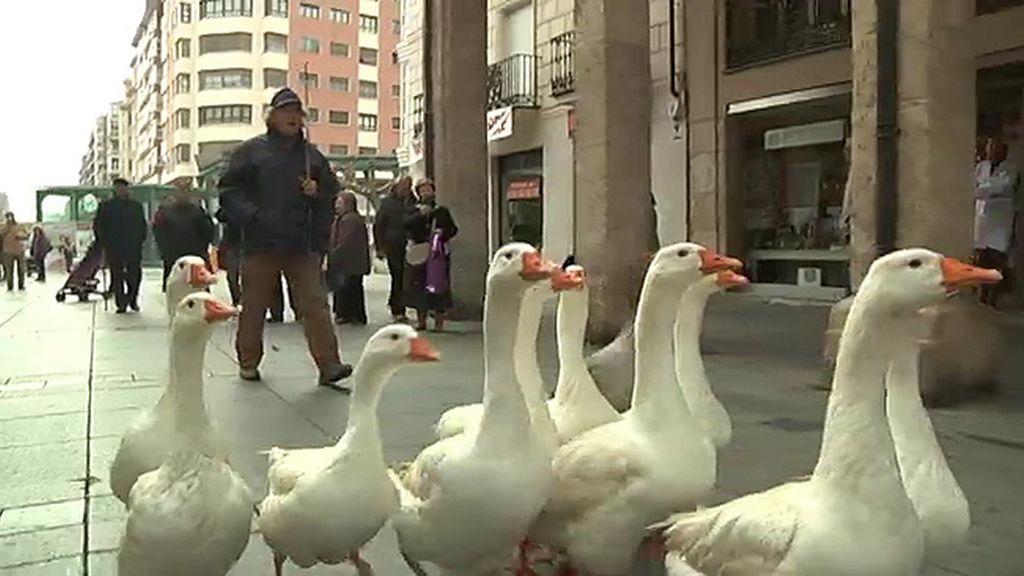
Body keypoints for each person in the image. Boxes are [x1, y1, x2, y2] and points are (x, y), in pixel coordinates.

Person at [218, 87, 352, 388]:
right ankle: (248, 362)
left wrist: (317, 192)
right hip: (260, 243)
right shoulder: (251, 151)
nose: (292, 117)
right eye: (285, 111)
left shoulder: (312, 157)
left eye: (297, 112)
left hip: (300, 245)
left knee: (315, 304)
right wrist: (252, 216)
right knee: (254, 305)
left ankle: (329, 364)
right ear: (272, 116)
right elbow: (228, 191)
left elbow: (331, 193)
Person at [404, 179, 458, 331]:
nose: (426, 192)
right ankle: (421, 320)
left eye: (429, 189)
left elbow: (453, 229)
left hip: (437, 254)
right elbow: (405, 224)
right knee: (418, 287)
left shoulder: (441, 211)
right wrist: (421, 215)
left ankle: (439, 322)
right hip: (419, 251)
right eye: (423, 190)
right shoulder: (413, 210)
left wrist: (443, 233)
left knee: (438, 286)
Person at [974, 136, 1020, 308]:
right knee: (982, 256)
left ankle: (995, 294)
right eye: (989, 148)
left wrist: (985, 187)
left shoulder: (1011, 168)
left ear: (1004, 151)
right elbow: (975, 187)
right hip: (983, 217)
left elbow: (1004, 186)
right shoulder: (981, 167)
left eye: (995, 149)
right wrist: (988, 187)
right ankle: (983, 291)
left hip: (1000, 218)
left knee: (997, 256)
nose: (991, 152)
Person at [94, 178, 148, 313]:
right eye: (118, 188)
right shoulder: (106, 206)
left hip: (133, 246)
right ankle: (121, 303)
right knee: (117, 275)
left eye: (123, 188)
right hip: (114, 246)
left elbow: (142, 225)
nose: (121, 191)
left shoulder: (136, 206)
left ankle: (132, 298)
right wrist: (102, 241)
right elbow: (98, 225)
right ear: (114, 189)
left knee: (134, 275)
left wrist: (141, 239)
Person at [153, 177, 215, 292]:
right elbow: (159, 232)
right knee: (175, 291)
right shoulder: (166, 212)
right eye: (180, 191)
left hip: (195, 256)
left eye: (185, 191)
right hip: (173, 257)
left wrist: (202, 248)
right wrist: (165, 250)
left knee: (198, 289)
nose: (182, 195)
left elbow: (208, 231)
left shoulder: (198, 211)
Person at [373, 175, 416, 322]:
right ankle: (398, 308)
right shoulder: (388, 203)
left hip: (411, 245)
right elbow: (379, 225)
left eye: (408, 187)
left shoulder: (412, 202)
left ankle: (398, 303)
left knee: (407, 278)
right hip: (394, 245)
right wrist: (380, 247)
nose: (406, 189)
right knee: (398, 276)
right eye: (403, 186)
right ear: (396, 187)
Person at [328, 191, 370, 325]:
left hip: (349, 263)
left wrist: (334, 255)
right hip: (350, 263)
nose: (336, 206)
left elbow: (345, 242)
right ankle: (351, 315)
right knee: (350, 288)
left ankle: (347, 315)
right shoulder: (345, 219)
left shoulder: (350, 220)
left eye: (340, 203)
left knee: (347, 289)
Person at [215, 208, 242, 306]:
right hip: (233, 246)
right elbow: (219, 216)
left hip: (248, 246)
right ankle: (237, 300)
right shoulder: (230, 206)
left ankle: (243, 300)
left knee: (245, 277)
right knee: (232, 277)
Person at [1, 212, 28, 291]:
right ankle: (10, 286)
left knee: (21, 269)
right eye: (8, 217)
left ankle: (21, 285)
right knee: (9, 270)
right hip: (8, 251)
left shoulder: (19, 226)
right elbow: (1, 234)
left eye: (11, 216)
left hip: (19, 250)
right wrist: (7, 226)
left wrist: (21, 235)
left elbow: (26, 235)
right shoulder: (4, 227)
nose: (10, 218)